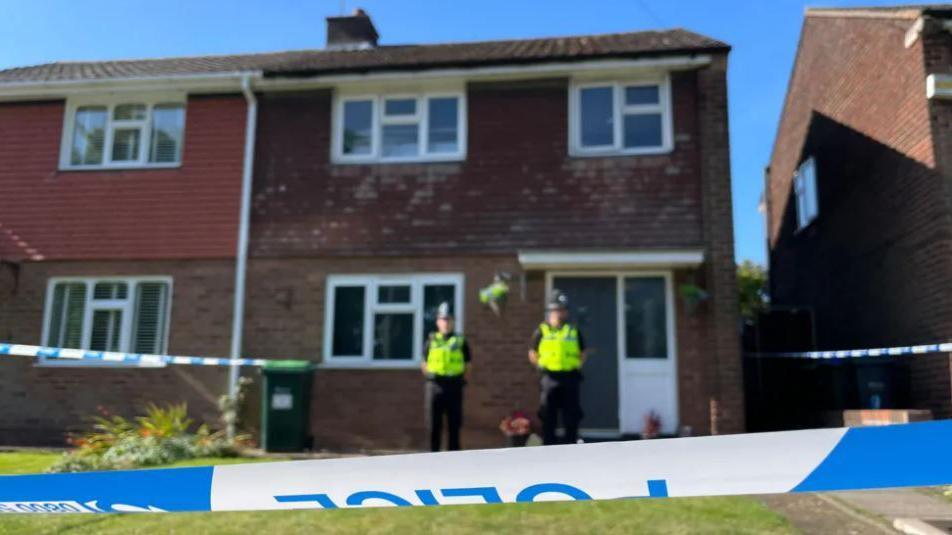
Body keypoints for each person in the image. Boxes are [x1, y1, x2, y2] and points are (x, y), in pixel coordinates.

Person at [528, 290, 586, 445]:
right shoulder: (542, 331)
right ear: (550, 312)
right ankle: (549, 449)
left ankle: (571, 448)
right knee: (548, 417)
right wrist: (541, 367)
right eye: (557, 310)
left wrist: (575, 366)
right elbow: (533, 353)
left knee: (571, 417)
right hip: (549, 378)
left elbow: (582, 352)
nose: (560, 314)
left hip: (570, 378)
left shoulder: (573, 331)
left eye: (563, 310)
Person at [422, 302, 472, 451]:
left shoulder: (461, 341)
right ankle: (433, 459)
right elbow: (424, 363)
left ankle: (454, 462)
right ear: (438, 321)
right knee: (433, 426)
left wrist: (458, 378)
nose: (446, 323)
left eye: (449, 319)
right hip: (434, 386)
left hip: (454, 386)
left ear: (453, 322)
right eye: (443, 319)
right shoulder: (431, 340)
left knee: (454, 426)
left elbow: (468, 365)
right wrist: (431, 377)